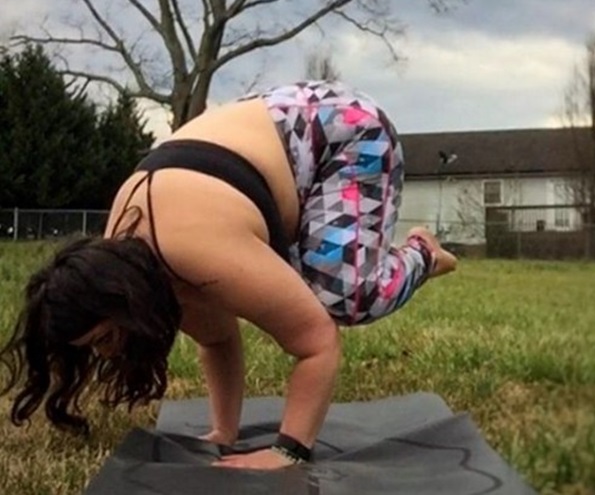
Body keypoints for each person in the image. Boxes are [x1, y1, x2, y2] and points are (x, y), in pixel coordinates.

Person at [0, 81, 457, 470]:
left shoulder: (195, 249)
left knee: (344, 298)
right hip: (273, 142)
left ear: (126, 303)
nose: (107, 352)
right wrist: (224, 432)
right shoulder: (133, 260)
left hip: (345, 130)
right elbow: (217, 339)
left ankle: (423, 253)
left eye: (104, 339)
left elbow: (318, 343)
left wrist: (288, 450)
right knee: (304, 275)